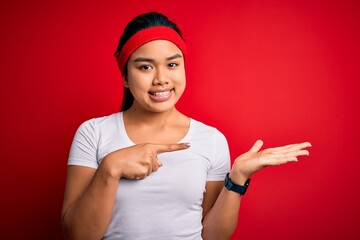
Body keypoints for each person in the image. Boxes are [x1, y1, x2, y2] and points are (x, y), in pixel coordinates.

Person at [61, 12, 311, 240]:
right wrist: (110, 167)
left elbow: (213, 236)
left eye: (172, 64)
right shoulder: (93, 133)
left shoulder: (211, 140)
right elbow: (77, 236)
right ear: (126, 76)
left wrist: (237, 178)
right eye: (145, 67)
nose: (161, 79)